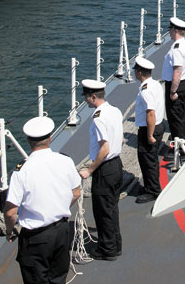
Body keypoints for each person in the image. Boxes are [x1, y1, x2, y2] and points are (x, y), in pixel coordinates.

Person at [4, 116, 81, 284]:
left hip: (35, 239)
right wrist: (57, 207)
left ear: (28, 141)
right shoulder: (65, 161)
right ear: (50, 138)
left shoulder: (21, 171)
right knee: (58, 278)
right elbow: (76, 192)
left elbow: (10, 212)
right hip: (61, 231)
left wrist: (9, 231)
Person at [77, 79, 124, 260]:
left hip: (105, 169)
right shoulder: (115, 111)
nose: (85, 101)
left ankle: (107, 250)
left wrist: (89, 170)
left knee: (103, 211)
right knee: (112, 208)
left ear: (94, 97)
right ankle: (116, 244)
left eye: (87, 98)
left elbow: (104, 148)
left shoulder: (98, 119)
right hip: (116, 166)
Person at [132, 57, 165, 204]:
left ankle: (153, 191)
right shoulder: (155, 84)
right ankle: (150, 186)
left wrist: (150, 134)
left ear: (139, 73)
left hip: (150, 128)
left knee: (148, 160)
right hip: (158, 125)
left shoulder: (146, 90)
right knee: (149, 159)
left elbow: (150, 113)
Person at [163, 16, 185, 144]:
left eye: (170, 29)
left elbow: (177, 71)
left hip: (177, 86)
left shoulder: (177, 49)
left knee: (176, 118)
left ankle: (180, 149)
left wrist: (172, 91)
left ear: (175, 30)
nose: (169, 31)